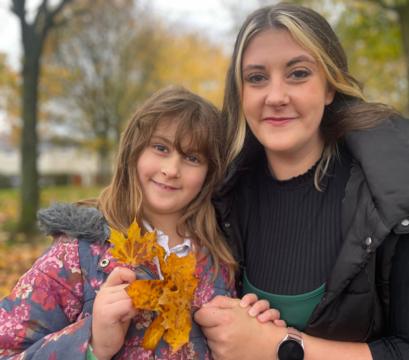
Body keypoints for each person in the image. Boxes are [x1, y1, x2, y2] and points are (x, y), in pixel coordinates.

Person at [194, 3, 409, 360]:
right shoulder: (220, 193)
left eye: (298, 74)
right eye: (256, 77)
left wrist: (281, 347)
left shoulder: (403, 189)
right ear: (241, 93)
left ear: (330, 87)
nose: (276, 96)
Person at [0, 86, 280, 360]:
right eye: (160, 148)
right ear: (134, 151)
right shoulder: (77, 255)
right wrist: (92, 344)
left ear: (210, 173)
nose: (171, 170)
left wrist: (252, 337)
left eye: (192, 158)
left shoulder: (222, 260)